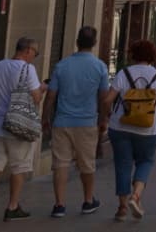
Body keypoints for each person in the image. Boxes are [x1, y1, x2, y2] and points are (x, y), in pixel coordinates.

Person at [43, 26, 111, 219]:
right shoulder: (100, 67)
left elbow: (51, 96)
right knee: (87, 164)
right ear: (94, 43)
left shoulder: (62, 65)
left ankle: (59, 204)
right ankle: (88, 200)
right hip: (87, 122)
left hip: (63, 121)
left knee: (60, 164)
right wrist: (103, 119)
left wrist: (45, 119)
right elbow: (104, 97)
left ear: (77, 42)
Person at [0, 36, 44, 224]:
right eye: (35, 53)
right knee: (19, 167)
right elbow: (36, 98)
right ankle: (12, 206)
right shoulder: (27, 69)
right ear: (28, 50)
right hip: (18, 126)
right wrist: (43, 88)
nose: (34, 57)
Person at [105, 39, 156, 223]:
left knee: (123, 165)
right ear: (152, 56)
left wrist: (108, 115)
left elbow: (108, 99)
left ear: (133, 54)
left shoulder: (123, 73)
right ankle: (136, 196)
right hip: (148, 129)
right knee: (145, 161)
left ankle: (122, 208)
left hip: (120, 127)